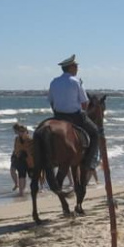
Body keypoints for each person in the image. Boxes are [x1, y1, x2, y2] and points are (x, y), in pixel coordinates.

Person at [48, 54, 99, 182]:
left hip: (58, 117)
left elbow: (51, 102)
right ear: (70, 67)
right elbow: (85, 103)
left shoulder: (54, 82)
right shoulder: (76, 81)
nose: (77, 68)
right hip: (75, 117)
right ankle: (90, 162)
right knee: (95, 133)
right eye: (76, 66)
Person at [11, 123, 35, 196]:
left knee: (32, 177)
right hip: (20, 160)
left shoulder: (30, 140)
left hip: (30, 162)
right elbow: (15, 149)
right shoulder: (17, 139)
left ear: (26, 132)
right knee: (21, 175)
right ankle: (21, 192)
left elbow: (34, 151)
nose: (21, 133)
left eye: (22, 131)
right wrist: (13, 156)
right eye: (20, 131)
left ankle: (40, 189)